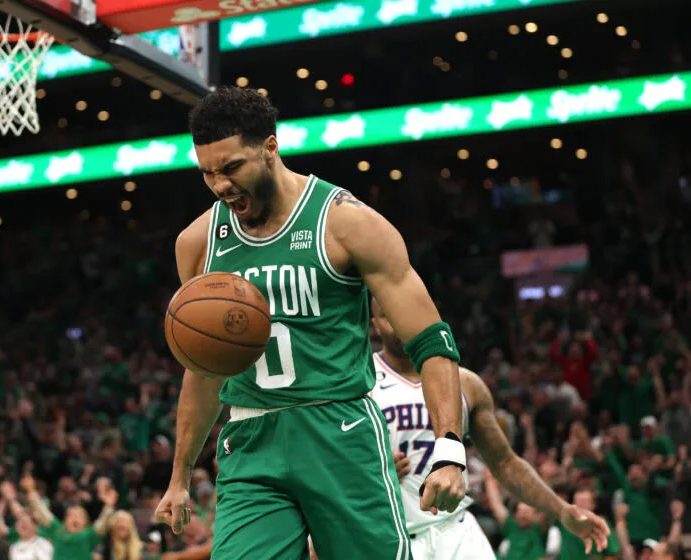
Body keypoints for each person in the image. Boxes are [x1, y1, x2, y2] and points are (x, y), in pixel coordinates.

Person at [154, 86, 468, 560]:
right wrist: (179, 477)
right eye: (208, 173)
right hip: (250, 436)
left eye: (232, 167)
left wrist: (449, 447)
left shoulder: (345, 222)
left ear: (270, 148)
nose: (220, 184)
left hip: (338, 428)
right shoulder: (197, 243)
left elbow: (430, 339)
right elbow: (204, 367)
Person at [368, 297, 610, 559]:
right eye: (388, 314)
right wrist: (370, 470)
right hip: (391, 537)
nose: (400, 319)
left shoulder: (466, 382)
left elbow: (505, 463)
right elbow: (327, 465)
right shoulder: (359, 382)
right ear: (375, 326)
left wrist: (562, 510)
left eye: (406, 307)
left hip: (457, 533)